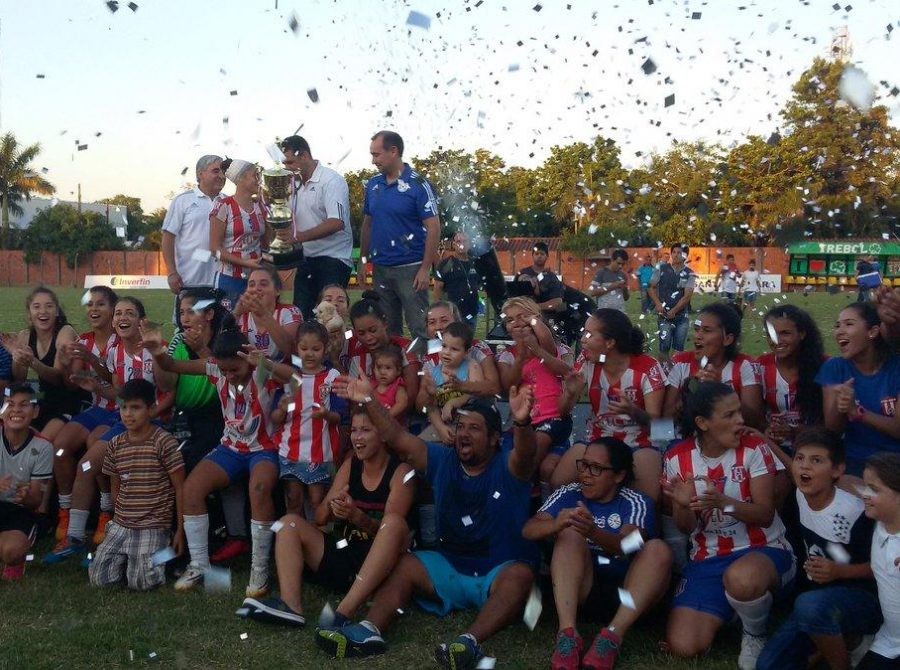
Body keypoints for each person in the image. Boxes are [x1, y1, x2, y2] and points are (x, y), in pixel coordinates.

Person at [320, 381, 539, 669]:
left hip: (497, 570)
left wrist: (522, 422)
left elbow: (525, 455)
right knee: (405, 564)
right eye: (461, 427)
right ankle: (369, 631)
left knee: (522, 575)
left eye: (474, 428)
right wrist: (369, 399)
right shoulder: (441, 459)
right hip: (449, 567)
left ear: (495, 438)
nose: (464, 433)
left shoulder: (509, 466)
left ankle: (468, 642)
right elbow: (397, 437)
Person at [147, 327, 289, 597]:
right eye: (224, 371)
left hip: (264, 448)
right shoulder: (215, 367)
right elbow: (172, 365)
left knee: (259, 488)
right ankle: (199, 563)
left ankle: (259, 570)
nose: (229, 375)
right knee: (191, 489)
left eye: (234, 370)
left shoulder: (261, 371)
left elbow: (297, 380)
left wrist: (265, 363)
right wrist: (157, 351)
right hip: (231, 446)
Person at [242, 406, 414, 629]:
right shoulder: (351, 465)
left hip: (378, 569)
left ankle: (343, 614)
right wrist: (335, 504)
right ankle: (290, 606)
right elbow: (321, 517)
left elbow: (393, 534)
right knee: (287, 523)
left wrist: (358, 517)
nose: (357, 437)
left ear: (382, 434)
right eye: (354, 430)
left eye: (365, 431)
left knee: (393, 524)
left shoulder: (400, 472)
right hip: (344, 551)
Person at [662, 382, 794, 670]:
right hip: (708, 557)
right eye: (730, 415)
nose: (741, 421)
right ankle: (740, 609)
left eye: (739, 413)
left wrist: (723, 503)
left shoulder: (754, 447)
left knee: (743, 579)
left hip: (764, 549)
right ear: (703, 423)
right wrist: (683, 505)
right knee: (685, 646)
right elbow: (685, 528)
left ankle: (754, 633)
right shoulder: (677, 458)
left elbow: (765, 514)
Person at [45, 297, 174, 563]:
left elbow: (169, 390)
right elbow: (118, 393)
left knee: (88, 464)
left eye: (129, 313)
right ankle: (77, 536)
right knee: (86, 465)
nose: (122, 317)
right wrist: (98, 390)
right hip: (123, 420)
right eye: (118, 314)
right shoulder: (115, 352)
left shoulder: (156, 347)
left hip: (154, 424)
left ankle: (92, 533)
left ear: (141, 320)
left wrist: (150, 414)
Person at [523, 438, 671, 670]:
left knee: (658, 550)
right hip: (583, 589)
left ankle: (611, 638)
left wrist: (593, 532)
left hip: (629, 595)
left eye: (596, 468)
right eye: (583, 465)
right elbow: (529, 530)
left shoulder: (636, 502)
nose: (585, 475)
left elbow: (627, 545)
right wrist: (556, 524)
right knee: (570, 532)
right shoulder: (568, 493)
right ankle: (567, 635)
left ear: (619, 476)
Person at [757, 427, 880, 670]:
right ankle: (838, 640)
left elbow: (884, 567)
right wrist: (764, 440)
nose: (804, 467)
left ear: (837, 470)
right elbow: (793, 470)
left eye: (816, 461)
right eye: (800, 458)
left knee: (808, 605)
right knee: (769, 665)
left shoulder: (857, 511)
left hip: (864, 599)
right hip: (820, 599)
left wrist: (838, 572)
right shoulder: (802, 493)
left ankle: (852, 648)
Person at [554, 309, 666, 502]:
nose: (582, 339)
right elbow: (563, 411)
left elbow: (661, 429)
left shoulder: (648, 368)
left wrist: (632, 411)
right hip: (598, 439)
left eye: (589, 334)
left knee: (648, 499)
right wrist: (570, 393)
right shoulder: (587, 362)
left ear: (610, 343)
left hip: (639, 443)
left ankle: (639, 532)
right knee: (558, 481)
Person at [87, 379, 185, 592]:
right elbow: (116, 486)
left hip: (153, 524)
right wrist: (116, 519)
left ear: (151, 409)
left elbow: (180, 487)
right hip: (122, 523)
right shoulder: (115, 444)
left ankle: (165, 556)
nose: (128, 414)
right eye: (124, 408)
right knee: (99, 578)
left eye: (136, 408)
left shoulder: (164, 442)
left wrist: (179, 531)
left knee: (143, 582)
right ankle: (132, 559)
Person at [47, 285, 118, 538]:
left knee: (93, 444)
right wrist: (67, 367)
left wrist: (93, 359)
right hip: (96, 409)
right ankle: (64, 512)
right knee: (61, 447)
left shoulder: (121, 340)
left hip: (119, 411)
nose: (94, 309)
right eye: (90, 304)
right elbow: (72, 382)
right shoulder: (83, 341)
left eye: (101, 304)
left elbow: (117, 380)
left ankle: (105, 511)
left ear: (112, 310)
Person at [358, 130, 440, 344]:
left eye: (376, 155)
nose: (373, 160)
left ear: (393, 151)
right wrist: (363, 260)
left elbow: (434, 227)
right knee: (386, 329)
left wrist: (424, 268)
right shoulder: (373, 185)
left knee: (421, 328)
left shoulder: (418, 184)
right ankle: (396, 376)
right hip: (380, 269)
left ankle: (431, 374)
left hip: (411, 269)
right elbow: (368, 224)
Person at [817, 303, 900, 483]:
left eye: (849, 324)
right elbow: (832, 431)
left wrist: (858, 412)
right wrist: (841, 405)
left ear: (872, 332)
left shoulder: (896, 368)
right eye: (837, 325)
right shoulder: (834, 368)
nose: (839, 331)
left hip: (895, 463)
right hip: (855, 462)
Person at [497, 297, 574, 484]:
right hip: (526, 421)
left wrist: (534, 336)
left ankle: (520, 490)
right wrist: (521, 357)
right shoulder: (506, 355)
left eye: (522, 316)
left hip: (554, 418)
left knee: (527, 459)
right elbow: (509, 385)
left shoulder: (555, 348)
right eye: (510, 320)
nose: (517, 322)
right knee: (504, 455)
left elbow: (549, 346)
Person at [270, 321, 343, 517]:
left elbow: (340, 416)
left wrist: (325, 414)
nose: (309, 354)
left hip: (321, 451)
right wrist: (282, 409)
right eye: (304, 348)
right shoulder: (290, 377)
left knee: (317, 501)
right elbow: (276, 418)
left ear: (326, 349)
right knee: (294, 500)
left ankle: (317, 542)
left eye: (316, 349)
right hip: (290, 449)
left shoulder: (331, 377)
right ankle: (294, 539)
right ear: (296, 349)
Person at [280, 135, 353, 320]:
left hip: (333, 259)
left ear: (304, 156)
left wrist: (298, 237)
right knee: (301, 318)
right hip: (307, 259)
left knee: (329, 319)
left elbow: (337, 222)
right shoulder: (292, 185)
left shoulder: (331, 180)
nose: (286, 167)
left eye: (290, 162)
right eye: (284, 162)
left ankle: (339, 349)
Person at [663, 302, 764, 431]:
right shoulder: (681, 363)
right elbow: (665, 419)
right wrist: (691, 389)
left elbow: (754, 421)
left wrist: (719, 389)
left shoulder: (744, 366)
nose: (697, 336)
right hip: (687, 441)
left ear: (727, 339)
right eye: (696, 329)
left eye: (706, 330)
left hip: (732, 440)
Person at [1, 287, 84, 441]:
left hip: (69, 400)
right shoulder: (25, 336)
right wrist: (17, 356)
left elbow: (58, 379)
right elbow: (19, 379)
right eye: (36, 307)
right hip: (42, 397)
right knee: (12, 431)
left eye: (49, 306)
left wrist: (33, 361)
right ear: (29, 313)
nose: (43, 311)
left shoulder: (65, 332)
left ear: (57, 311)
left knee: (40, 443)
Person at [756, 305, 825, 459]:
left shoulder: (825, 366)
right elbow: (754, 417)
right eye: (771, 334)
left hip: (815, 447)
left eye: (785, 333)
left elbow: (832, 426)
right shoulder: (759, 366)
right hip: (773, 448)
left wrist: (795, 431)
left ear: (802, 333)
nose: (777, 341)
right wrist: (767, 429)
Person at [0, 383, 53, 581]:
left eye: (24, 405)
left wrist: (26, 497)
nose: (16, 410)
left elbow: (35, 501)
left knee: (13, 552)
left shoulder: (43, 446)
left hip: (18, 510)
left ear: (35, 411)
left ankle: (15, 556)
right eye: (9, 404)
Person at [856, 452, 900, 669]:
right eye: (865, 486)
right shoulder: (878, 523)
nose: (864, 494)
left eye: (873, 490)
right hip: (889, 642)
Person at [162, 155, 225, 301]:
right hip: (189, 282)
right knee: (189, 323)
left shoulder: (228, 202)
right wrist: (171, 273)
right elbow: (168, 238)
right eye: (216, 171)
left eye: (223, 171)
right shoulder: (183, 201)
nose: (221, 176)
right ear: (200, 174)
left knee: (221, 324)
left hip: (221, 282)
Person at [342, 292, 421, 406]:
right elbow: (353, 398)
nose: (368, 337)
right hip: (366, 417)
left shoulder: (406, 348)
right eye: (361, 333)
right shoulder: (357, 355)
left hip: (401, 417)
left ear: (385, 323)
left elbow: (411, 396)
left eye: (373, 330)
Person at [210, 158, 268, 310]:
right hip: (229, 279)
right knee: (228, 326)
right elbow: (214, 250)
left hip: (256, 280)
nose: (259, 180)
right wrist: (245, 263)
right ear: (241, 178)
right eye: (255, 175)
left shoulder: (260, 207)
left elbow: (267, 245)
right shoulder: (224, 206)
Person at [417, 321, 484, 444]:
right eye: (444, 346)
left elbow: (477, 391)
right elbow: (431, 408)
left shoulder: (471, 366)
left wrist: (454, 402)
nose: (447, 352)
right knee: (419, 445)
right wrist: (441, 428)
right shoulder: (434, 372)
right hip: (444, 425)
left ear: (467, 352)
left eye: (454, 349)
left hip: (470, 423)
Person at [423, 300, 500, 398]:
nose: (438, 327)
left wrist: (462, 386)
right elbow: (420, 404)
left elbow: (494, 387)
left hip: (476, 408)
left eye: (444, 320)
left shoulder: (477, 348)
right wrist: (428, 395)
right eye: (432, 322)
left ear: (457, 322)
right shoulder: (429, 358)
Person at [233, 265, 303, 362]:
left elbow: (291, 350)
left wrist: (264, 315)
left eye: (264, 284)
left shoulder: (289, 312)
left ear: (277, 290)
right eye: (251, 285)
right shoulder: (241, 315)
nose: (256, 289)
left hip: (283, 373)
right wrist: (236, 313)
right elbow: (223, 349)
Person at [648, 244, 697, 362]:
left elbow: (687, 296)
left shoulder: (690, 274)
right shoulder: (661, 269)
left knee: (679, 350)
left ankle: (676, 377)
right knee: (664, 347)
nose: (675, 255)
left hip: (681, 316)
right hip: (664, 315)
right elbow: (651, 287)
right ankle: (663, 375)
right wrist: (658, 304)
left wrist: (674, 311)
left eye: (679, 253)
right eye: (674, 252)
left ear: (685, 256)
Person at [433, 230, 482, 328]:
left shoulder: (475, 263)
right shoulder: (446, 264)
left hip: (472, 313)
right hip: (453, 314)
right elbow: (438, 287)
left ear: (469, 244)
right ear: (454, 244)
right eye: (459, 241)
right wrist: (439, 310)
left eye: (464, 241)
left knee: (468, 341)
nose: (462, 244)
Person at [515, 242, 566, 324]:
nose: (539, 256)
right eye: (536, 253)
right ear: (532, 255)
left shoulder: (552, 278)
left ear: (547, 257)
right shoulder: (522, 273)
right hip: (520, 317)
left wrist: (534, 307)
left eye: (542, 254)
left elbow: (557, 303)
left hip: (544, 319)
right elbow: (512, 296)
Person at [370, 346, 409, 421]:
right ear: (373, 369)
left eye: (388, 368)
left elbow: (402, 403)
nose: (382, 372)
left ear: (398, 371)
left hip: (393, 427)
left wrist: (385, 416)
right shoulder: (372, 385)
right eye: (379, 367)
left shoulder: (397, 387)